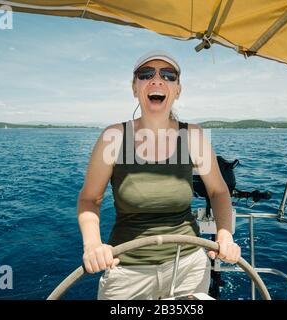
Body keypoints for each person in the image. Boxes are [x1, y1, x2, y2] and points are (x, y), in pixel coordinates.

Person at [77, 50, 240, 300]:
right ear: (134, 88)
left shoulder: (193, 136)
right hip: (128, 271)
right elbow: (90, 199)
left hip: (188, 267)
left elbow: (219, 192)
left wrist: (225, 235)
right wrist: (93, 245)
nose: (157, 80)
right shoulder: (113, 137)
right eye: (145, 74)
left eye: (168, 75)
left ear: (177, 90)